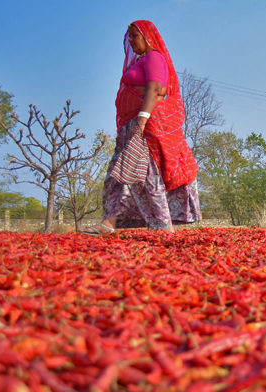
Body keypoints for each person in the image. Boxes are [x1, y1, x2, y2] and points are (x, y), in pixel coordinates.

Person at [80, 20, 201, 235]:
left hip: (143, 129)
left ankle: (159, 227)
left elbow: (156, 88)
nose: (131, 41)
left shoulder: (154, 57)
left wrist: (143, 118)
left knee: (137, 176)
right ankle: (112, 223)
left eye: (135, 36)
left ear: (147, 37)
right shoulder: (141, 60)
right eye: (129, 37)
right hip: (132, 127)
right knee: (123, 174)